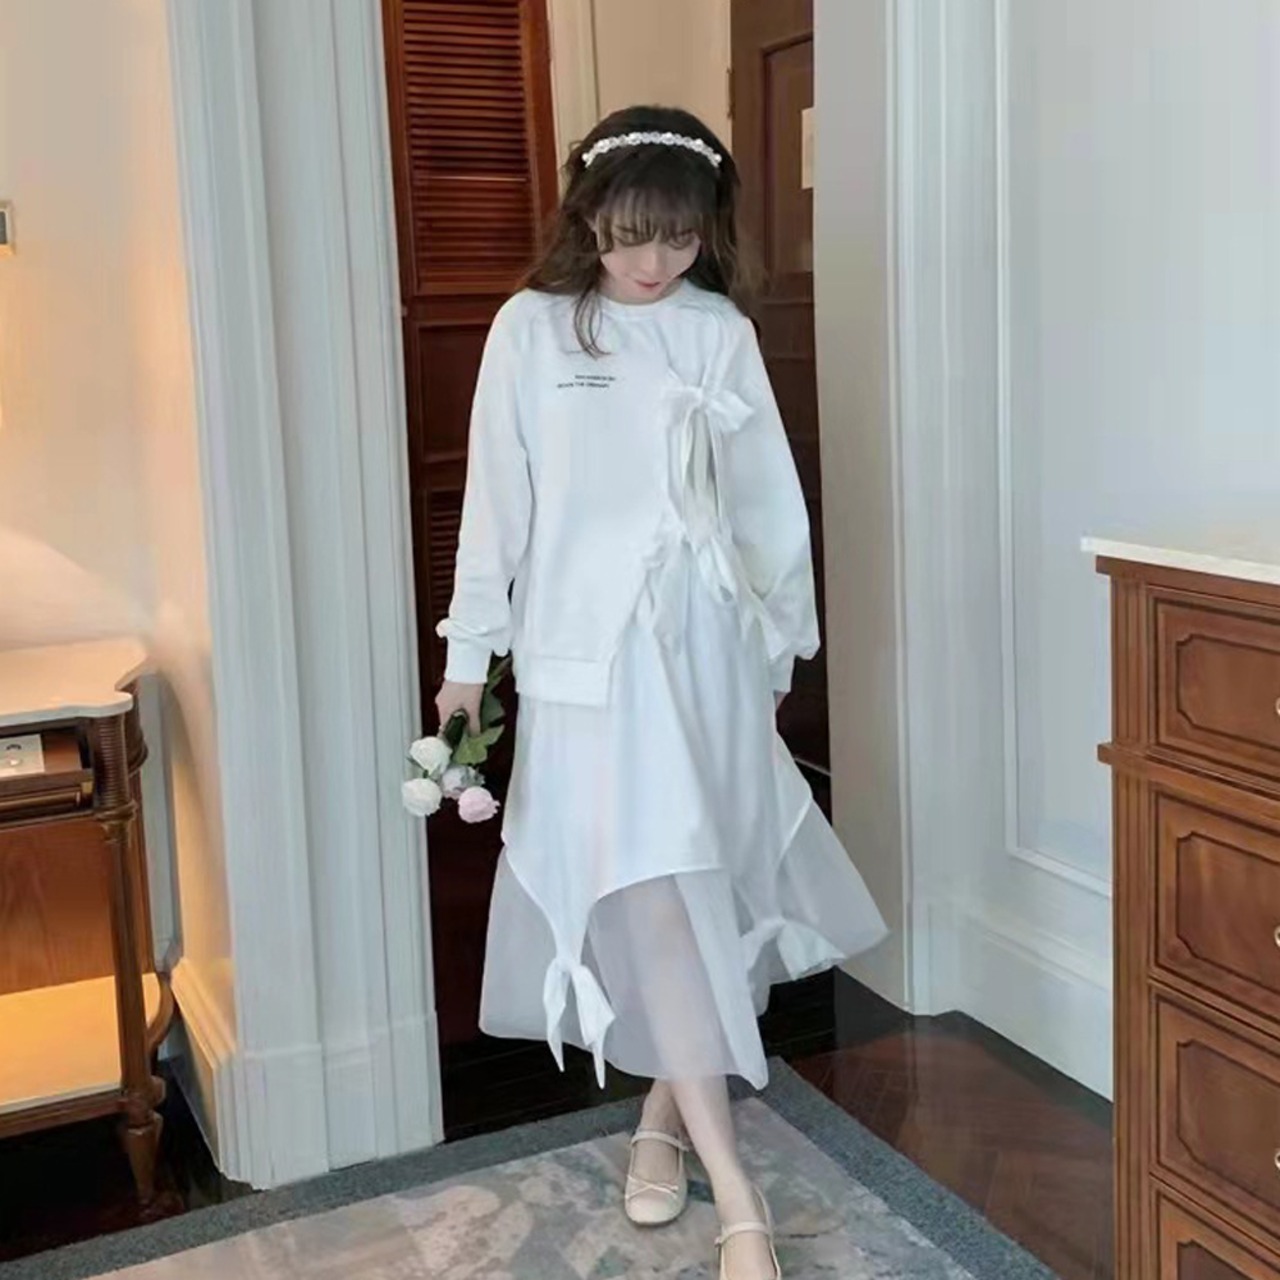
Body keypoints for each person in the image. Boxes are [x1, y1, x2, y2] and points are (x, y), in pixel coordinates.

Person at [434, 104, 887, 1280]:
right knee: (644, 894)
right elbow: (496, 512)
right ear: (586, 217)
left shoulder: (716, 331)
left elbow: (765, 506)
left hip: (704, 653)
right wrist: (466, 665)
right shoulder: (531, 329)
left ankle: (657, 1118)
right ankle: (738, 1194)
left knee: (699, 887)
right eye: (631, 234)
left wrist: (777, 649)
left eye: (677, 239)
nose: (652, 262)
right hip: (586, 665)